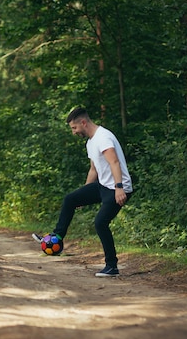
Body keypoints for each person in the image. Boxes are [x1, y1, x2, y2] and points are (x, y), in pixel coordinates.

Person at [33, 107, 133, 277]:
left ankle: (112, 266)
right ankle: (56, 236)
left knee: (100, 223)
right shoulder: (91, 142)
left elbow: (114, 162)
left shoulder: (103, 137)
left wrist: (119, 188)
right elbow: (94, 170)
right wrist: (84, 195)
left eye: (74, 128)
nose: (74, 132)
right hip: (103, 186)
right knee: (70, 199)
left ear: (83, 123)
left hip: (117, 188)